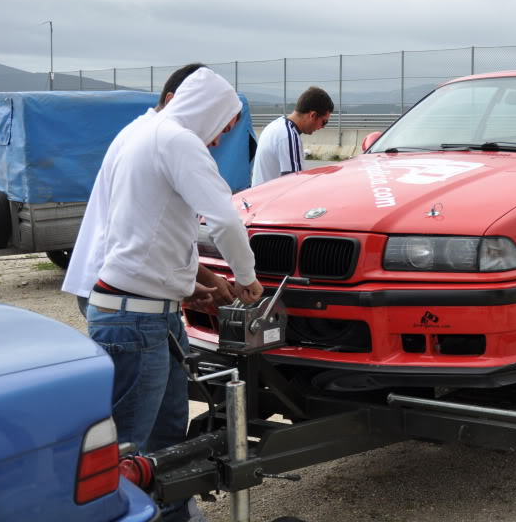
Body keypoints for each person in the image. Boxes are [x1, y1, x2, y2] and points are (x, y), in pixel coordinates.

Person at [84, 66, 264, 522]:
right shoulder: (178, 140)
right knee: (130, 451)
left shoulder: (140, 133)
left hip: (145, 313)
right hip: (136, 320)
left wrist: (191, 286)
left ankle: (173, 515)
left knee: (168, 439)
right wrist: (248, 279)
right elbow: (223, 221)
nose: (221, 140)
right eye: (223, 128)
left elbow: (153, 232)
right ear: (209, 113)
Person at [63, 64, 236, 318]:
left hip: (117, 285)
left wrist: (185, 286)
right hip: (120, 290)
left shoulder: (145, 134)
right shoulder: (161, 138)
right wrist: (221, 277)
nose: (215, 140)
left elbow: (159, 231)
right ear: (174, 100)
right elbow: (145, 233)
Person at [252, 86, 333, 186]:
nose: (322, 127)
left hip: (259, 197)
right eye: (324, 122)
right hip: (272, 200)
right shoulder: (288, 136)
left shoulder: (276, 126)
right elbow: (295, 185)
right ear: (313, 115)